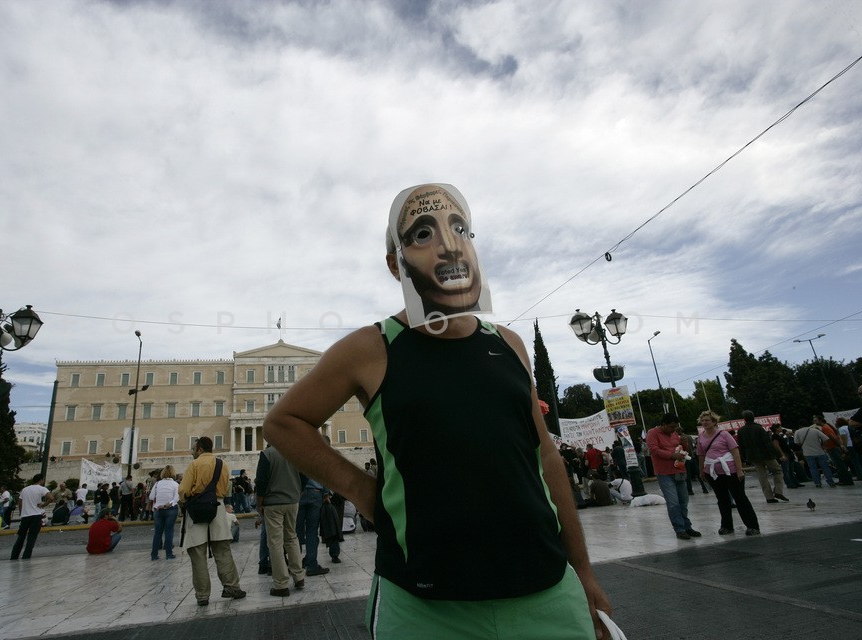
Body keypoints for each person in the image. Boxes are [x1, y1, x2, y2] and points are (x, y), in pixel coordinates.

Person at [261, 183, 610, 639]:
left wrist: (582, 571)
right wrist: (362, 491)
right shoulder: (371, 348)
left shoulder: (508, 344)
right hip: (423, 605)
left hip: (547, 591)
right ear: (395, 263)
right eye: (422, 234)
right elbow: (283, 423)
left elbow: (544, 455)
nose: (449, 245)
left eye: (460, 228)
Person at [179, 437, 245, 605]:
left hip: (197, 508)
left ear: (200, 449)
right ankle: (232, 587)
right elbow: (226, 488)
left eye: (193, 449)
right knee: (222, 549)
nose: (192, 452)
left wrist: (185, 499)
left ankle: (202, 596)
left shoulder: (194, 465)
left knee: (198, 553)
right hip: (218, 506)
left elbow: (184, 490)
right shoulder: (223, 465)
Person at [696, 411, 760, 536]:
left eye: (707, 420)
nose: (704, 423)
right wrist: (701, 471)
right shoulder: (701, 437)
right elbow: (701, 455)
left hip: (730, 470)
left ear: (714, 422)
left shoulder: (724, 434)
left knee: (740, 498)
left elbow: (735, 451)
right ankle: (726, 526)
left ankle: (752, 525)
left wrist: (739, 469)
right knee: (722, 499)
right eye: (702, 420)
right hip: (713, 472)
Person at [255, 444, 307, 597]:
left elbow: (261, 481)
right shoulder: (294, 451)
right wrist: (297, 492)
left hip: (273, 504)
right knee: (292, 537)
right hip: (292, 502)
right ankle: (299, 577)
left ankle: (281, 584)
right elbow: (305, 476)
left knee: (275, 543)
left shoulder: (267, 454)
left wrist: (259, 503)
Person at [646, 413, 701, 541]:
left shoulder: (674, 434)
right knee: (673, 502)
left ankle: (687, 526)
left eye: (675, 427)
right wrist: (671, 455)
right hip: (664, 472)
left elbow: (681, 449)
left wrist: (684, 444)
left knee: (683, 500)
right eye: (671, 427)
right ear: (663, 424)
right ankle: (679, 529)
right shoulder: (653, 433)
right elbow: (654, 450)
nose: (673, 429)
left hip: (679, 470)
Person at [736, 411, 788, 503]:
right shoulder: (759, 428)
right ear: (753, 418)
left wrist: (744, 457)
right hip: (766, 454)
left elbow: (741, 445)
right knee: (777, 471)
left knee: (762, 475)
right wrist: (778, 455)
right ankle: (778, 491)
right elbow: (768, 443)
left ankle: (769, 497)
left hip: (753, 456)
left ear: (744, 419)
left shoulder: (741, 430)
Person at [10, 474, 53, 560]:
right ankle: (26, 556)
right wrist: (44, 505)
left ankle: (14, 556)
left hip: (25, 516)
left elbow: (20, 501)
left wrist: (21, 512)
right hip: (36, 515)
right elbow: (51, 498)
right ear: (41, 480)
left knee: (21, 537)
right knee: (31, 538)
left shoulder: (25, 489)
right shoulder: (42, 488)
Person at [149, 465, 179, 561]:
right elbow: (176, 498)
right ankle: (169, 554)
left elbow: (151, 497)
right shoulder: (175, 484)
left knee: (158, 533)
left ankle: (154, 555)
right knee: (169, 531)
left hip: (158, 509)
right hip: (170, 509)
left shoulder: (157, 484)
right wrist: (168, 504)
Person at [794, 422, 837, 487]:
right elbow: (826, 438)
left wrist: (805, 445)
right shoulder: (815, 430)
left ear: (800, 425)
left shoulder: (797, 432)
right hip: (820, 452)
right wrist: (823, 446)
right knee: (825, 467)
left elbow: (797, 442)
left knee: (813, 468)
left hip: (808, 453)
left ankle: (817, 483)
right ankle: (831, 482)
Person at [815, 415, 853, 485]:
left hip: (832, 448)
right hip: (833, 447)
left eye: (816, 420)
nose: (815, 422)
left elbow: (832, 437)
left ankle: (847, 480)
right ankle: (843, 480)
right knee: (839, 465)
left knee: (840, 465)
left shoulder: (825, 428)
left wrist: (838, 446)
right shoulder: (826, 426)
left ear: (820, 420)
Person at [770, 424, 803, 489]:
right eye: (779, 427)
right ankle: (789, 483)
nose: (781, 428)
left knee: (791, 469)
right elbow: (776, 446)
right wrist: (782, 454)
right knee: (786, 469)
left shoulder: (778, 436)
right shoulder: (775, 436)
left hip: (787, 452)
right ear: (776, 429)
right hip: (785, 453)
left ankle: (794, 482)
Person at [837, 416, 862, 481]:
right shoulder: (849, 427)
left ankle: (859, 475)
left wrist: (844, 448)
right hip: (855, 445)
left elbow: (844, 439)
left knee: (855, 462)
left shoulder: (841, 429)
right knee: (858, 461)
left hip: (849, 446)